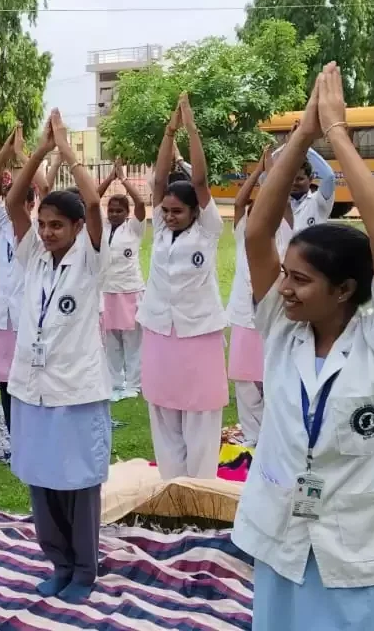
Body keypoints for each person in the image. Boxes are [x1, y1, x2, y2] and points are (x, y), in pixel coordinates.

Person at [235, 61, 374, 630]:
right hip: (286, 537)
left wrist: (338, 136)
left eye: (301, 280)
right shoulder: (282, 330)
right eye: (285, 275)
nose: (284, 288)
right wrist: (302, 136)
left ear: (346, 289)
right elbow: (256, 232)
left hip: (368, 547)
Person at [5, 110, 112, 603]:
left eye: (56, 226)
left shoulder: (90, 258)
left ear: (76, 228)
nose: (47, 232)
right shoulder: (32, 257)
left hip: (76, 390)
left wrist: (66, 149)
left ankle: (85, 571)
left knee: (78, 484)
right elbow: (13, 202)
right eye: (43, 224)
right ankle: (59, 563)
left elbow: (92, 201)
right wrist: (40, 152)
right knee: (41, 481)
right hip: (32, 389)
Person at [137, 93, 228, 480]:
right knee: (163, 413)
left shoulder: (208, 230)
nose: (170, 216)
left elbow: (200, 180)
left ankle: (201, 489)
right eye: (167, 210)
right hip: (160, 330)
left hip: (198, 332)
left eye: (178, 211)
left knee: (201, 416)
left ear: (195, 211)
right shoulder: (160, 228)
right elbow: (159, 180)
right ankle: (171, 487)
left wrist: (190, 128)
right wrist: (168, 132)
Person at [0, 124, 47, 430]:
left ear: (31, 204)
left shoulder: (40, 233)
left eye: (18, 201)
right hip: (2, 316)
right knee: (4, 380)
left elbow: (46, 187)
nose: (9, 206)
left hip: (26, 317)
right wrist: (6, 151)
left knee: (29, 379)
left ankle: (31, 432)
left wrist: (25, 155)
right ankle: (13, 436)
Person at [226, 149, 293, 448]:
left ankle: (274, 434)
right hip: (243, 315)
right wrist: (258, 172)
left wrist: (273, 172)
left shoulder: (285, 234)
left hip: (274, 315)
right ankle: (252, 434)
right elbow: (239, 203)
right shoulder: (243, 233)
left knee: (273, 378)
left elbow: (284, 201)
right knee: (244, 379)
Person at [95, 159, 147, 402]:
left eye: (119, 211)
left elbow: (140, 203)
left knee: (132, 340)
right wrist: (109, 178)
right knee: (111, 340)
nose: (114, 214)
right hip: (107, 291)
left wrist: (123, 179)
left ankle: (134, 383)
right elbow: (92, 200)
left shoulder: (134, 229)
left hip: (130, 290)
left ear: (127, 213)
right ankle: (115, 382)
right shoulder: (102, 227)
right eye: (111, 210)